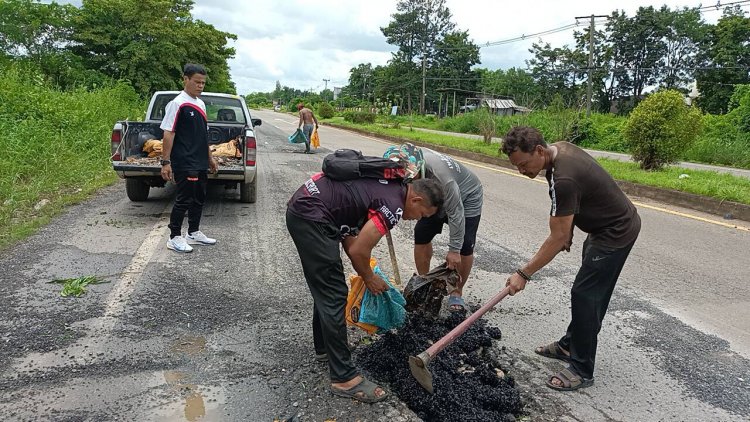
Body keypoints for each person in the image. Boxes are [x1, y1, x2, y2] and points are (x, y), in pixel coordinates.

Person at [501, 126, 641, 391]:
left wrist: (523, 273)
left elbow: (556, 237)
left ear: (539, 151)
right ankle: (569, 346)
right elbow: (576, 201)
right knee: (587, 292)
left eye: (522, 164)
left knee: (587, 295)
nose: (520, 170)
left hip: (615, 232)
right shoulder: (559, 151)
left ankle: (581, 369)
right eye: (516, 166)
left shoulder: (564, 178)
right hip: (602, 227)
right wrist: (569, 231)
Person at [286, 171, 444, 403]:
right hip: (311, 216)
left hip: (310, 208)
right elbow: (359, 250)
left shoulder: (392, 187)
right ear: (416, 200)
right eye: (422, 214)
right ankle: (343, 378)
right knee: (334, 294)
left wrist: (367, 271)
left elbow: (351, 237)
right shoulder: (394, 206)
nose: (416, 220)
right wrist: (368, 277)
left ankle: (325, 350)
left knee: (329, 287)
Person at [384, 143, 483, 312]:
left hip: (467, 197)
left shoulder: (444, 180)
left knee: (465, 245)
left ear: (419, 172)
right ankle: (425, 283)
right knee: (421, 233)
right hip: (433, 195)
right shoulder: (402, 164)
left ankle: (456, 292)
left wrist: (454, 249)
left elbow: (456, 212)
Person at [160, 63, 218, 253]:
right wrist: (166, 162)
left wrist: (210, 158)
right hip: (185, 161)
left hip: (200, 160)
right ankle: (174, 237)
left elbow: (203, 135)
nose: (200, 86)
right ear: (185, 79)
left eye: (203, 83)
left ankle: (193, 233)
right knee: (184, 199)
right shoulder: (177, 103)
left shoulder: (200, 104)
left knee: (199, 197)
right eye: (196, 82)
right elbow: (169, 133)